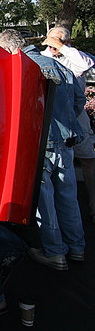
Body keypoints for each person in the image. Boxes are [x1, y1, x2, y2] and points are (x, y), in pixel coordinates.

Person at [0, 28, 85, 270]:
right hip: (65, 143)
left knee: (45, 204)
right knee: (69, 198)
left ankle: (55, 252)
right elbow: (79, 101)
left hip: (39, 145)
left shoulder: (22, 69)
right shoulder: (60, 66)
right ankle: (77, 247)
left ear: (9, 49)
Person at [42, 25, 95, 223]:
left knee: (87, 158)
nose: (53, 46)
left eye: (58, 42)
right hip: (55, 120)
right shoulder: (42, 57)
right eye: (51, 41)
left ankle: (92, 203)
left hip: (76, 116)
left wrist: (62, 48)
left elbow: (85, 65)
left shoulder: (75, 58)